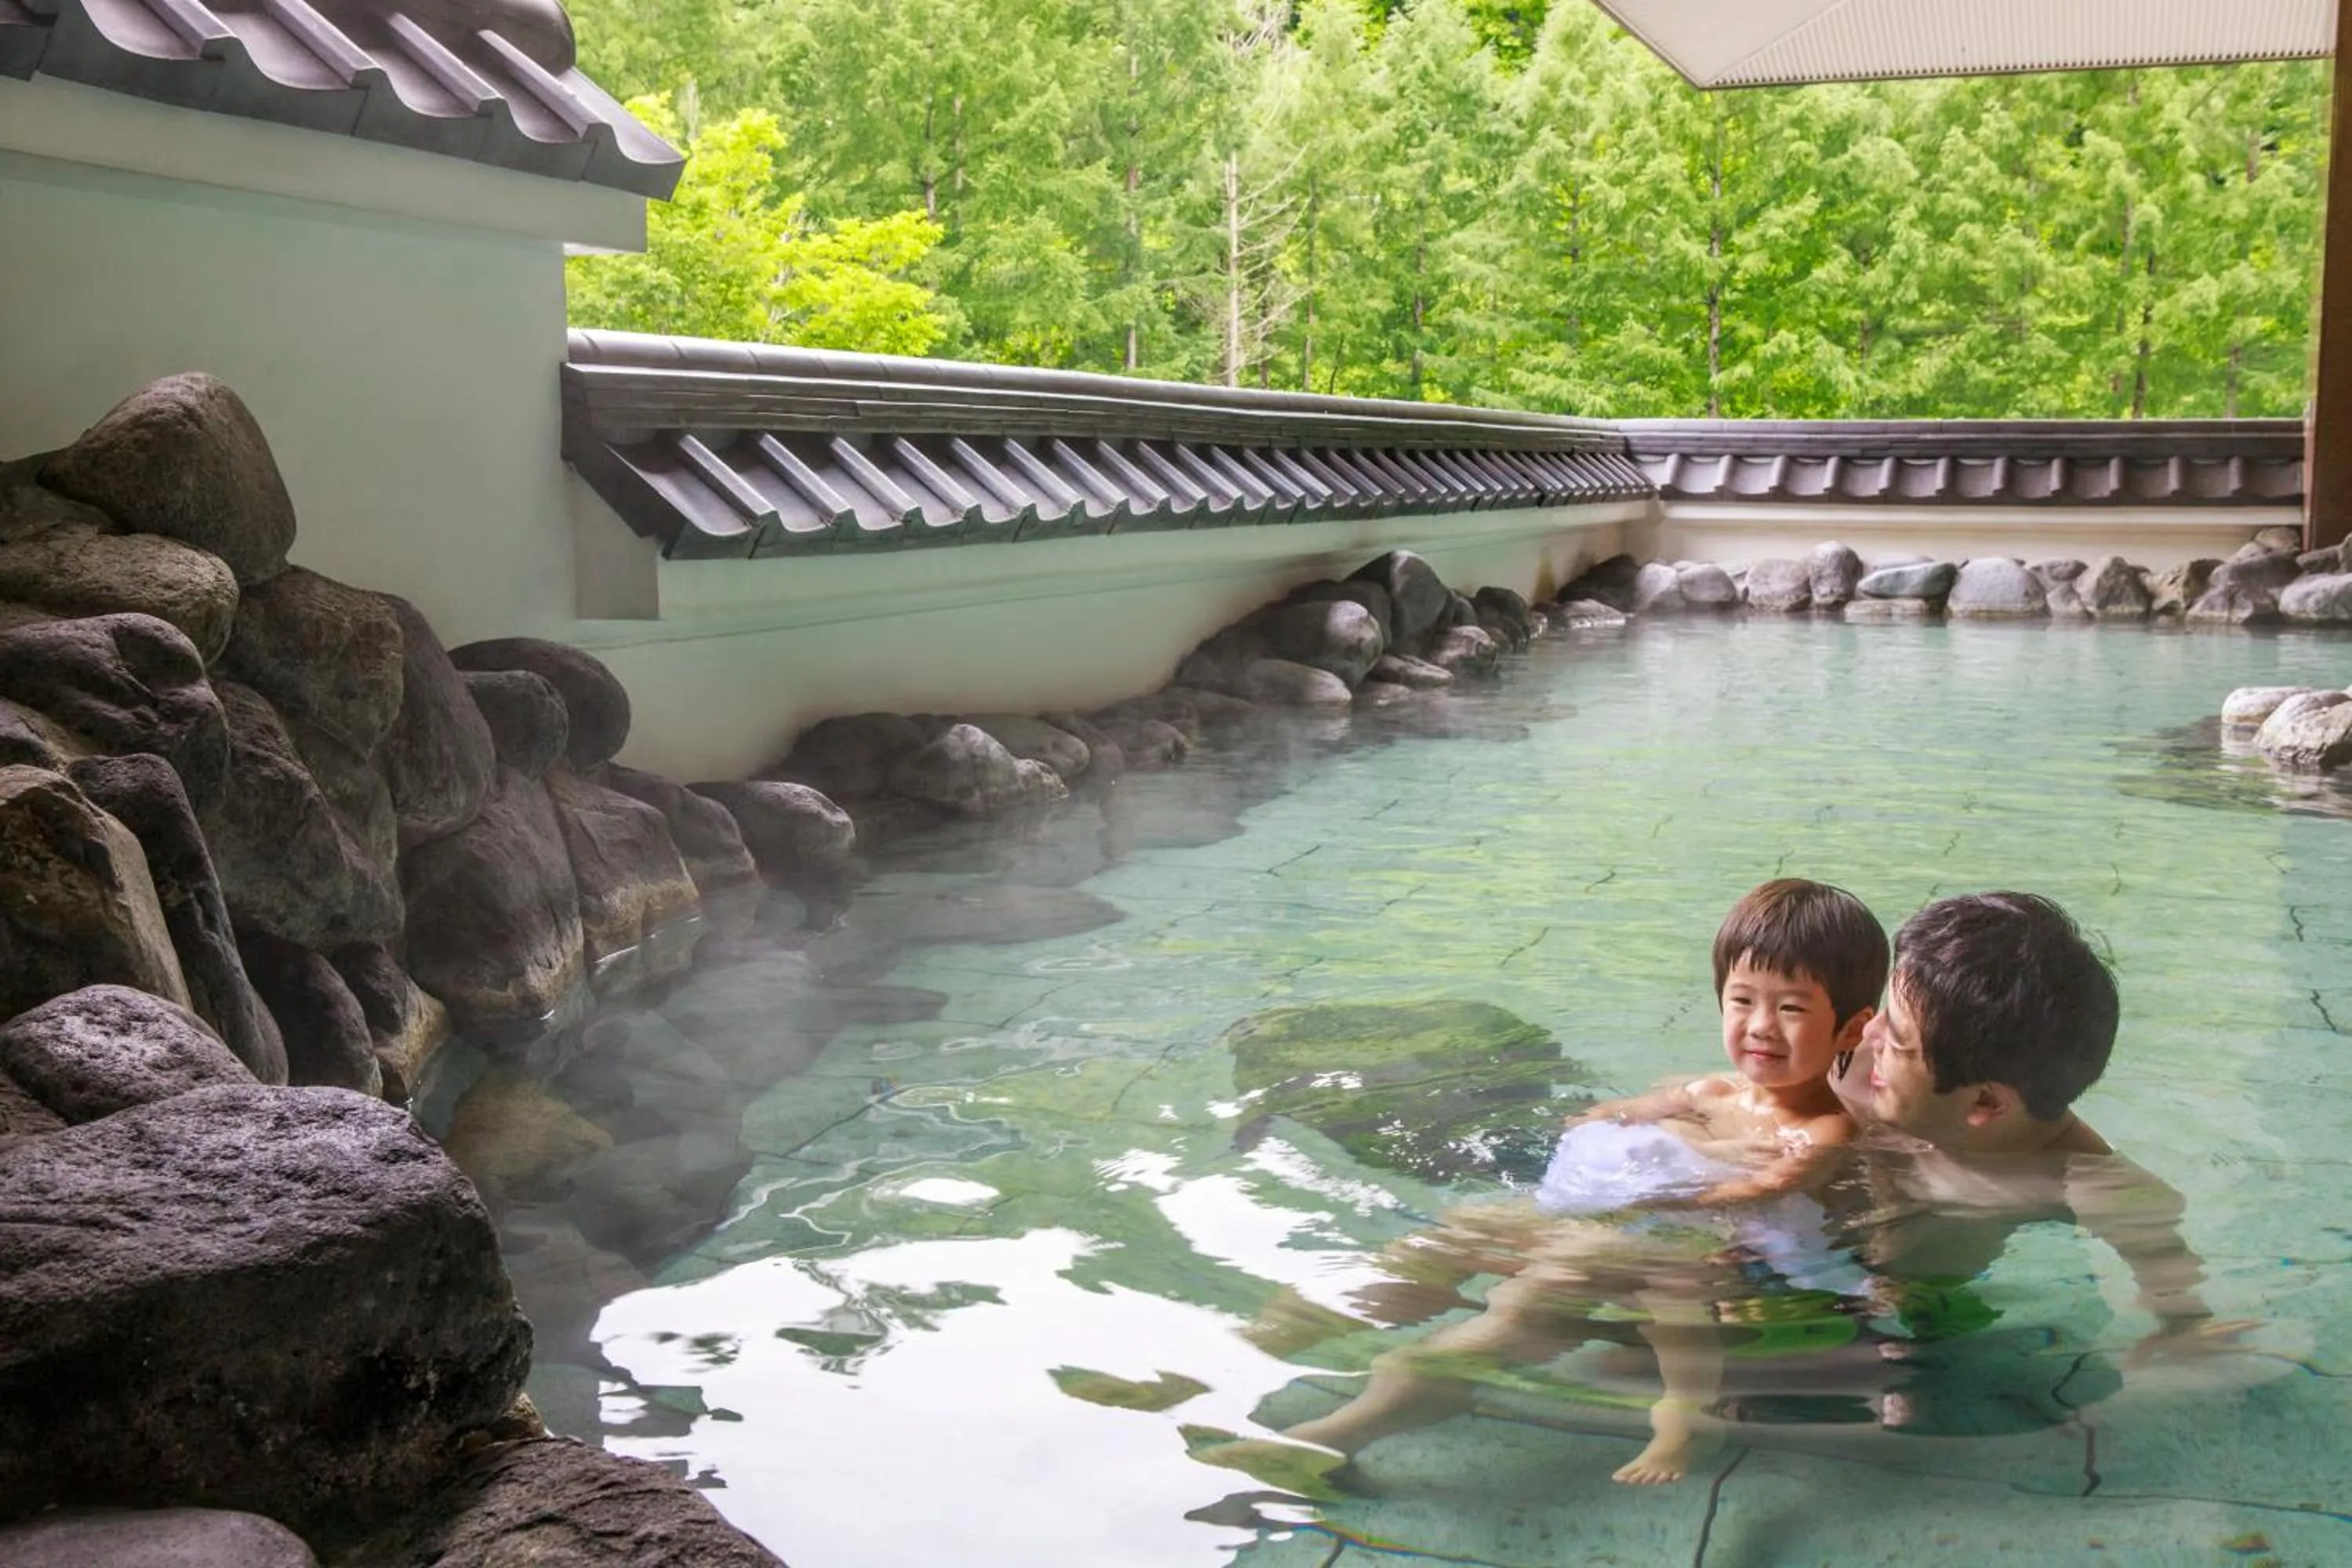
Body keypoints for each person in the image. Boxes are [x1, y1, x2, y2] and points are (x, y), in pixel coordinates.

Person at [1203, 878, 1890, 1489]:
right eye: (1743, 1000)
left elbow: (1769, 1192)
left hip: (1686, 1252)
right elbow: (1620, 1114)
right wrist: (1605, 1126)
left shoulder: (1825, 1131)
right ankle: (1246, 1350)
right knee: (1449, 1238)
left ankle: (1330, 1439)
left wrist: (1664, 1196)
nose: (1761, 1026)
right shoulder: (1709, 1091)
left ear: (1852, 1027)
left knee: (1522, 1307)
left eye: (1793, 1009)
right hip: (1617, 1217)